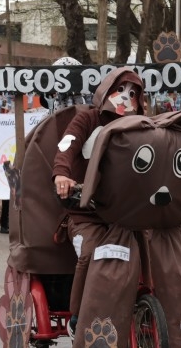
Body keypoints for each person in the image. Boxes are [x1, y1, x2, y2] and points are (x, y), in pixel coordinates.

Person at [52, 67, 149, 330]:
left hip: (126, 211)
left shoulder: (141, 126)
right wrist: (62, 174)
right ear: (106, 91)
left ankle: (151, 311)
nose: (125, 98)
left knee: (155, 247)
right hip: (86, 212)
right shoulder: (88, 119)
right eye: (120, 90)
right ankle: (77, 317)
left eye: (133, 93)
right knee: (91, 251)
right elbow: (68, 144)